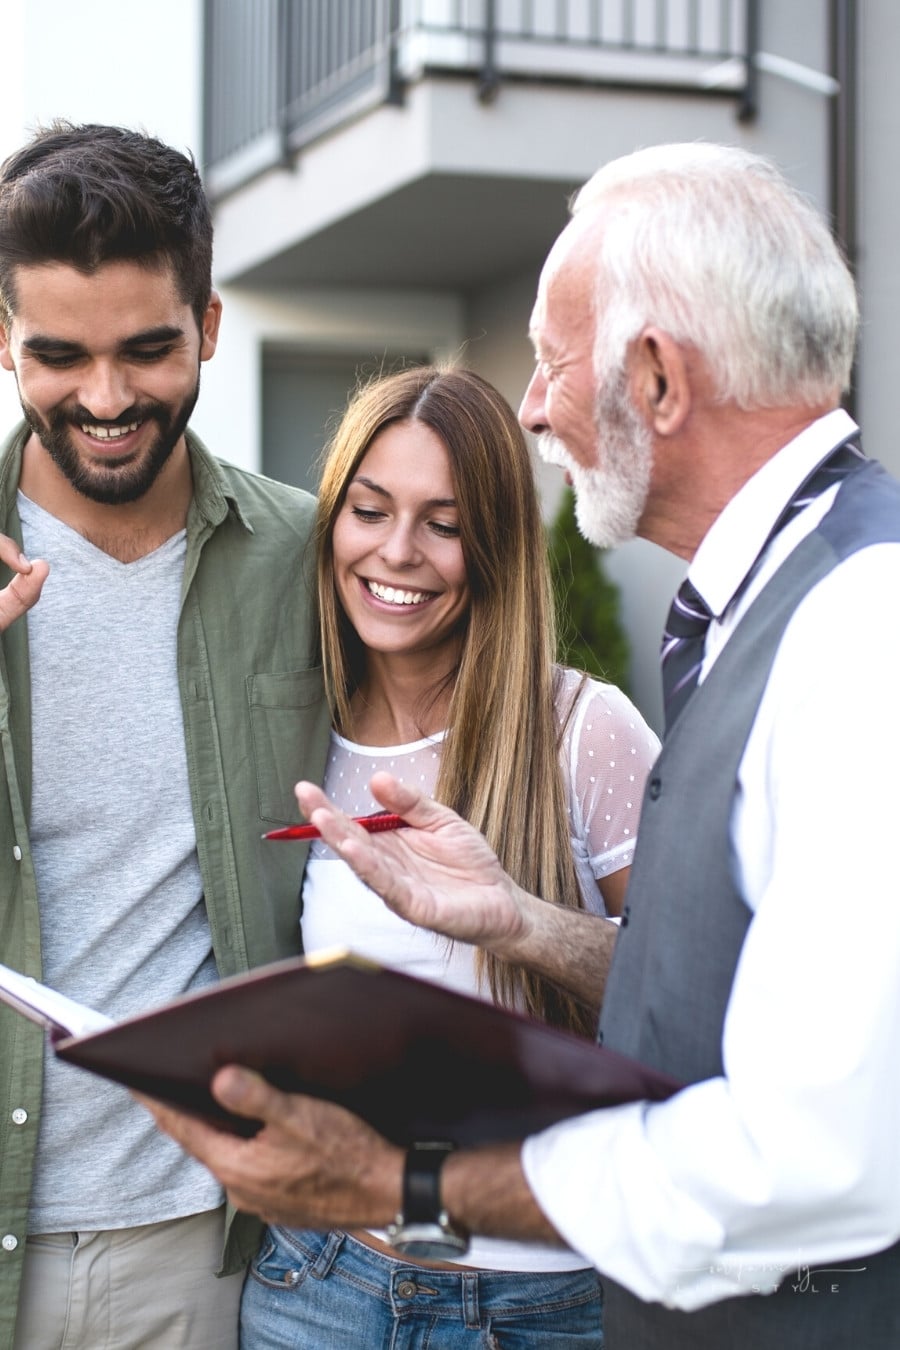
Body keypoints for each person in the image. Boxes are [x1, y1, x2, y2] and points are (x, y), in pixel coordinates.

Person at [145, 141, 900, 1349]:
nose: (535, 406)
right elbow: (704, 1001)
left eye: (551, 362)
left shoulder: (859, 624)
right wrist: (513, 920)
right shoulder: (767, 614)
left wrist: (414, 1185)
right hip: (319, 1293)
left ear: (654, 376)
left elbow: (811, 1155)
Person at [239, 364, 659, 1348]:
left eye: (444, 522)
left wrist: (526, 925)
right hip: (320, 1283)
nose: (397, 552)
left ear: (496, 545)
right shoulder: (301, 736)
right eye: (370, 510)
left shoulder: (583, 733)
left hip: (541, 1303)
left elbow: (694, 1008)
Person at [0, 122, 330, 1350]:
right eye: (58, 356)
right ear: (3, 339)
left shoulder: (307, 556)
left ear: (208, 325)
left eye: (148, 349)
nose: (105, 399)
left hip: (205, 1235)